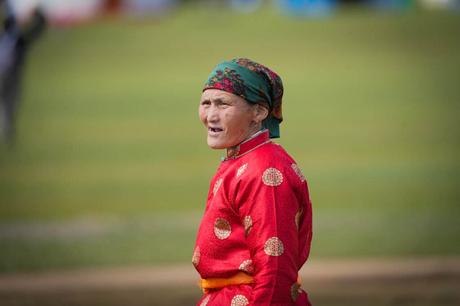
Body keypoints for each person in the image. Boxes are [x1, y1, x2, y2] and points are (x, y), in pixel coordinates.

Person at [193, 58, 313, 306]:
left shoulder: (266, 172)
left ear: (259, 112)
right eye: (206, 103)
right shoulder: (242, 160)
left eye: (223, 104)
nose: (211, 115)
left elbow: (276, 268)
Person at [0, 6, 46, 144]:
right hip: (7, 76)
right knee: (10, 103)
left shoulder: (19, 40)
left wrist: (38, 14)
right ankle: (8, 129)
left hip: (12, 76)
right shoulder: (12, 39)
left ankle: (8, 131)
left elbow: (38, 28)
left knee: (11, 104)